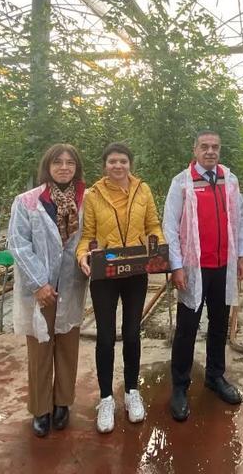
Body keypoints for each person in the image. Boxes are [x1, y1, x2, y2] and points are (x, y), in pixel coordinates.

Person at [76, 143, 164, 434]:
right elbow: (88, 234)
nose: (118, 166)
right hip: (106, 271)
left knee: (131, 333)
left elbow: (153, 225)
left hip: (136, 270)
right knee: (104, 336)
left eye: (123, 161)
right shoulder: (93, 195)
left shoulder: (143, 190)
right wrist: (83, 255)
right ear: (104, 165)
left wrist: (157, 246)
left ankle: (131, 391)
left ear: (130, 164)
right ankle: (105, 398)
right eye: (112, 161)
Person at [162, 130, 243, 421]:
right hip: (194, 268)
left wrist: (242, 255)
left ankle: (215, 376)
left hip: (223, 266)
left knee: (219, 323)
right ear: (195, 150)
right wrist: (176, 266)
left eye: (215, 147)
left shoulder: (229, 179)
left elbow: (239, 221)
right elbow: (170, 227)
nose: (210, 151)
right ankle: (179, 386)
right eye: (204, 146)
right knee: (187, 328)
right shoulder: (182, 182)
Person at [8, 144, 88, 438]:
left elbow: (91, 237)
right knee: (40, 349)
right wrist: (38, 283)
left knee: (68, 346)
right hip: (39, 289)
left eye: (70, 162)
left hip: (71, 283)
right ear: (47, 166)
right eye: (58, 162)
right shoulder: (28, 201)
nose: (64, 167)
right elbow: (18, 244)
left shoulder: (87, 199)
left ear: (77, 168)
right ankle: (40, 408)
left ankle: (62, 403)